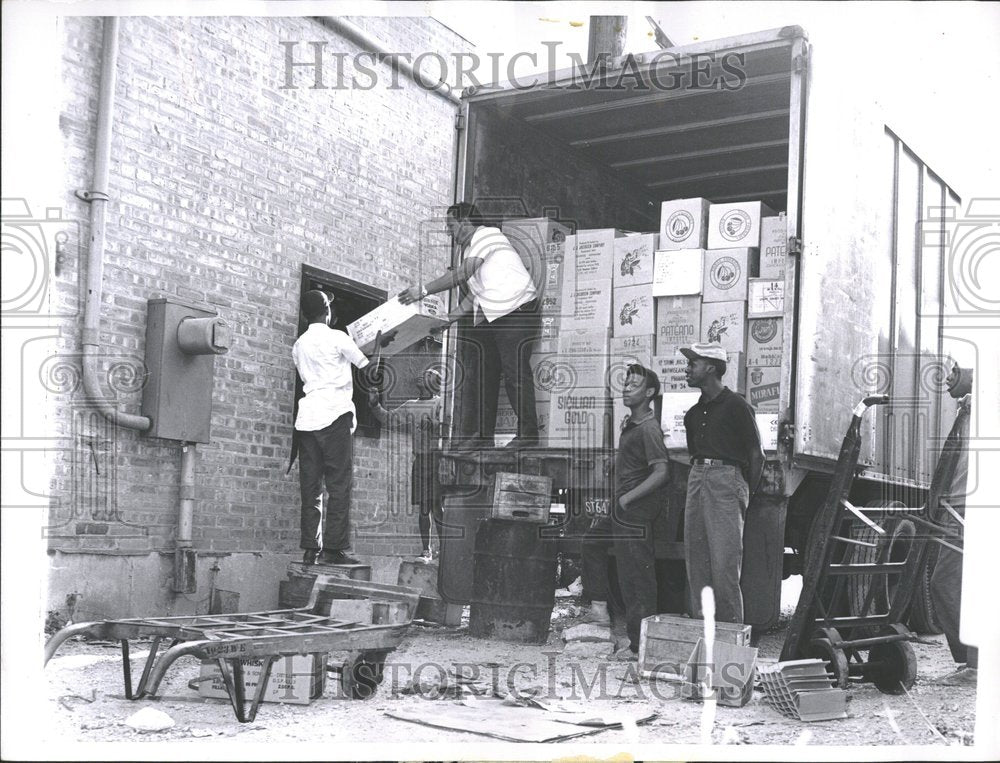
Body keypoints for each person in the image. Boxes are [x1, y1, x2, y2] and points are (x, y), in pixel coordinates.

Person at [399, 202, 540, 448]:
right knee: (485, 375)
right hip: (496, 315)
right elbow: (473, 296)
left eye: (451, 226)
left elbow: (463, 274)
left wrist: (422, 291)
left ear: (465, 222)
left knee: (515, 374)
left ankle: (529, 436)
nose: (449, 232)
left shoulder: (487, 234)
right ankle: (482, 439)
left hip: (518, 310)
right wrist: (447, 320)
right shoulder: (469, 251)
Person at [681, 342, 764, 625]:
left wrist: (743, 492)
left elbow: (756, 455)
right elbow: (695, 453)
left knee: (725, 568)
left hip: (727, 481)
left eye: (694, 363)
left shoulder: (737, 406)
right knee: (697, 565)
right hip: (697, 478)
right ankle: (702, 640)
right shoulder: (693, 414)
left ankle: (731, 645)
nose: (687, 368)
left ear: (712, 368)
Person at [293, 290, 373, 566]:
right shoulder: (338, 337)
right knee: (339, 485)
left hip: (307, 420)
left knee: (311, 487)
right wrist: (380, 347)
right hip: (335, 416)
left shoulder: (299, 345)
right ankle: (334, 548)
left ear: (305, 315)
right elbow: (366, 367)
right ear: (327, 311)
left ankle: (310, 549)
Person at [611, 364, 671, 658]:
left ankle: (640, 647)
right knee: (625, 573)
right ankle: (631, 637)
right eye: (625, 383)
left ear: (649, 393)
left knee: (638, 577)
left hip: (635, 510)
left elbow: (661, 472)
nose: (626, 388)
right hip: (625, 508)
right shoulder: (631, 424)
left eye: (634, 385)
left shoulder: (648, 428)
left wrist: (628, 499)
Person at [930, 363, 977, 682]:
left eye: (956, 371)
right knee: (946, 583)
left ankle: (974, 665)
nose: (947, 378)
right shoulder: (966, 412)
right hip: (956, 507)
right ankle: (971, 662)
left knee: (952, 583)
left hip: (970, 509)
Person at [368, 368, 445, 562]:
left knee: (437, 507)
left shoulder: (440, 403)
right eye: (423, 373)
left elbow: (450, 425)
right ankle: (426, 550)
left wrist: (435, 425)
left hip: (437, 459)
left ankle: (445, 550)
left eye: (428, 374)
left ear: (435, 382)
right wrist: (375, 404)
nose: (422, 375)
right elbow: (388, 419)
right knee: (423, 508)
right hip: (420, 460)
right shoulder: (411, 405)